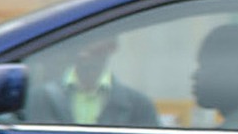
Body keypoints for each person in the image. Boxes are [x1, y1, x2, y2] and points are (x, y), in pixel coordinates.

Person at [28, 37, 158, 127]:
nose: (85, 47)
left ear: (112, 46)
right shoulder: (39, 98)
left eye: (94, 38)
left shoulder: (139, 106)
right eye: (79, 38)